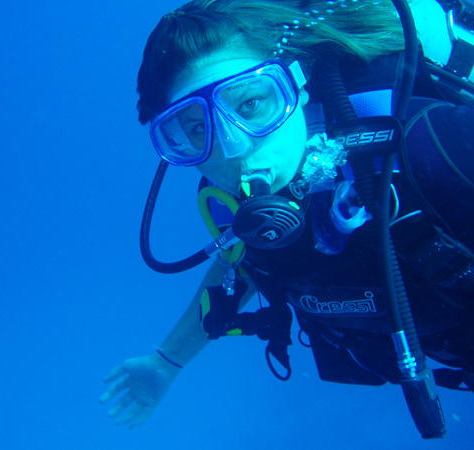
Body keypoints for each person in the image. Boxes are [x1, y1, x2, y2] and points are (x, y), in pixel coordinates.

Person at [100, 0, 474, 437]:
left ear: (297, 84)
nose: (234, 146)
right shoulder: (227, 204)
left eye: (252, 103)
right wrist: (167, 361)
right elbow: (243, 261)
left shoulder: (435, 147)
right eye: (197, 130)